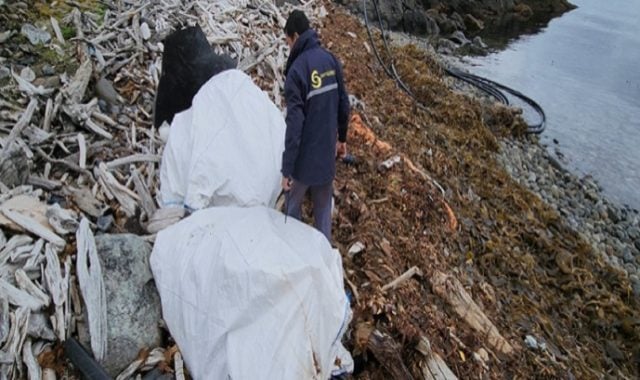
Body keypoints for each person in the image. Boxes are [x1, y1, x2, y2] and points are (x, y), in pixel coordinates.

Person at [281, 10, 350, 243]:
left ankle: (292, 255)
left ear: (296, 36)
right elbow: (343, 103)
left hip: (303, 163)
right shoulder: (330, 60)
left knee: (290, 210)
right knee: (323, 214)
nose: (288, 46)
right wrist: (342, 139)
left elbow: (295, 125)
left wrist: (287, 169)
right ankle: (322, 263)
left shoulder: (296, 72)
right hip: (326, 157)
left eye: (288, 41)